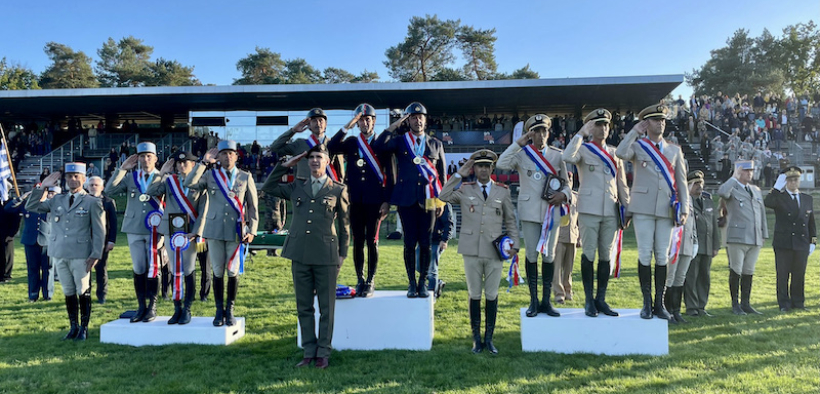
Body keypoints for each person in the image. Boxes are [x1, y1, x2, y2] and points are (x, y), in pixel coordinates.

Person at [261, 144, 349, 369]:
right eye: (311, 158)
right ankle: (309, 351)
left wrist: (342, 254)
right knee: (304, 306)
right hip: (299, 252)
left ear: (327, 161)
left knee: (326, 307)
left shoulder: (337, 189)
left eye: (319, 157)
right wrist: (285, 165)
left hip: (326, 254)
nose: (315, 161)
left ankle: (323, 353)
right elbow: (270, 186)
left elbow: (344, 225)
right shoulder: (296, 187)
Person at [439, 149, 519, 354]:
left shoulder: (502, 191)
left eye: (486, 166)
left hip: (495, 251)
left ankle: (489, 339)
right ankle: (477, 339)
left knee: (491, 294)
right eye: (479, 166)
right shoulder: (465, 189)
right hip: (472, 250)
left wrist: (515, 244)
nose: (483, 169)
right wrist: (459, 174)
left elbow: (510, 220)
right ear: (474, 168)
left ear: (492, 168)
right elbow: (443, 195)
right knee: (474, 294)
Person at [615, 104, 689, 320]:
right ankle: (646, 303)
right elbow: (620, 152)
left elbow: (682, 183)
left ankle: (659, 304)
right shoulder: (638, 146)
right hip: (643, 208)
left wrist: (684, 208)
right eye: (656, 120)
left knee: (662, 255)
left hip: (667, 208)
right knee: (645, 254)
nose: (661, 123)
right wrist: (634, 132)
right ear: (646, 124)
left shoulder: (674, 150)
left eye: (663, 120)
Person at [497, 114, 571, 317]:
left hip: (552, 212)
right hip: (530, 213)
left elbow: (566, 182)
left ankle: (546, 301)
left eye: (543, 131)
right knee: (531, 255)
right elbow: (502, 163)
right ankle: (533, 301)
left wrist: (563, 194)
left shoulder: (557, 155)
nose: (540, 135)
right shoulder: (522, 154)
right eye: (536, 131)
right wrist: (518, 143)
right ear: (531, 134)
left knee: (549, 256)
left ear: (548, 132)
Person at [372, 102, 446, 298]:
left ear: (425, 120)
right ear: (408, 120)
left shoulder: (436, 144)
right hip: (406, 199)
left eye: (420, 117)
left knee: (425, 243)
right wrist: (396, 124)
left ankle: (423, 283)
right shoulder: (399, 141)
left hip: (430, 199)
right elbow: (378, 145)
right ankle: (411, 283)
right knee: (409, 243)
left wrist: (442, 202)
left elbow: (442, 176)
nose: (417, 120)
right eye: (413, 117)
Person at [562, 109, 630, 317]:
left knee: (606, 257)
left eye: (605, 125)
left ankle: (601, 299)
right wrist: (580, 134)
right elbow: (567, 156)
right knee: (589, 254)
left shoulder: (614, 153)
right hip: (589, 209)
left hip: (610, 209)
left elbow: (622, 183)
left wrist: (627, 207)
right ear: (591, 127)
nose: (602, 128)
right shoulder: (582, 149)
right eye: (598, 125)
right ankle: (589, 301)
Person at [28, 163, 105, 341]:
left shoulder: (92, 202)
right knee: (68, 291)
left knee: (82, 290)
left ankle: (84, 328)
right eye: (69, 176)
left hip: (81, 253)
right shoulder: (57, 199)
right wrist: (42, 186)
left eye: (76, 176)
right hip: (60, 252)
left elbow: (100, 231)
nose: (72, 179)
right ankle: (73, 327)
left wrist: (96, 254)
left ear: (84, 178)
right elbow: (32, 206)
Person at [185, 140, 258, 327]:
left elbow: (253, 206)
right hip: (215, 230)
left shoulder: (245, 176)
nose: (227, 157)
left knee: (232, 271)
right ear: (218, 156)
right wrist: (203, 163)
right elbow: (189, 182)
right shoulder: (210, 175)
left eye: (231, 153)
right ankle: (219, 311)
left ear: (236, 155)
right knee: (217, 270)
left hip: (236, 231)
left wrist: (252, 230)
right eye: (223, 153)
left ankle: (230, 310)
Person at [327, 104, 390, 297]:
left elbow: (390, 173)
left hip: (375, 200)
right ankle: (360, 279)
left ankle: (370, 280)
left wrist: (387, 200)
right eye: (361, 120)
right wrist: (348, 125)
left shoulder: (383, 142)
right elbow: (331, 146)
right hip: (354, 200)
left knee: (372, 241)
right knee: (358, 241)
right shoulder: (353, 141)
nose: (365, 122)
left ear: (374, 121)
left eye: (368, 119)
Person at [105, 142, 165, 323]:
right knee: (139, 268)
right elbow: (109, 190)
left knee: (153, 267)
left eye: (149, 156)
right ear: (137, 159)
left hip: (156, 229)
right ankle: (141, 306)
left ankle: (152, 306)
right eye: (141, 156)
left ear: (155, 158)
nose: (145, 160)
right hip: (134, 229)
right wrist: (122, 169)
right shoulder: (132, 177)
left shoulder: (163, 178)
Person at [147, 151, 209, 324]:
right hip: (170, 231)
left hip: (188, 233)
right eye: (178, 163)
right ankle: (177, 308)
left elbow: (204, 208)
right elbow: (151, 191)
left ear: (193, 164)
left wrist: (197, 232)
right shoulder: (170, 181)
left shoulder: (201, 182)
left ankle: (187, 308)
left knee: (188, 269)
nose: (181, 166)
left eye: (185, 162)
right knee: (175, 270)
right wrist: (160, 173)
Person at [717, 160, 768, 315]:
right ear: (738, 171)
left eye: (751, 170)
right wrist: (734, 177)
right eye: (745, 170)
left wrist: (764, 233)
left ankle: (746, 303)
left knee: (749, 270)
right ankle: (735, 304)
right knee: (736, 270)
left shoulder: (755, 189)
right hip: (738, 237)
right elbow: (722, 192)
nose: (749, 173)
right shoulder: (732, 187)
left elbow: (762, 213)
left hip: (755, 237)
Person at [764, 166, 815, 312]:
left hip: (802, 242)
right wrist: (775, 188)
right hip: (783, 242)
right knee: (783, 275)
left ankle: (798, 302)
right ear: (786, 182)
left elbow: (811, 223)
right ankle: (784, 304)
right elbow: (767, 202)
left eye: (796, 179)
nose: (793, 182)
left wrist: (813, 241)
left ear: (799, 180)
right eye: (790, 180)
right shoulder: (779, 197)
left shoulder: (807, 198)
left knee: (799, 274)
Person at [4, 189, 54, 301]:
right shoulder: (26, 205)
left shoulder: (51, 204)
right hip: (30, 240)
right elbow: (8, 209)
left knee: (48, 269)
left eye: (42, 192)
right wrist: (21, 198)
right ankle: (33, 294)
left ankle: (48, 294)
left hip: (47, 241)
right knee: (32, 269)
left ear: (46, 193)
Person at [683, 171, 721, 317]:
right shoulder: (686, 201)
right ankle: (691, 307)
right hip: (692, 245)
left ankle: (701, 306)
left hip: (707, 244)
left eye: (701, 183)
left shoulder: (708, 201)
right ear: (689, 185)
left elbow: (713, 224)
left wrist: (716, 245)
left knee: (704, 277)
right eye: (696, 183)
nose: (699, 186)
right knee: (691, 277)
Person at [271, 108, 343, 181]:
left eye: (321, 120)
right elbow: (275, 148)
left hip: (327, 188)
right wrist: (293, 130)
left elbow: (340, 170)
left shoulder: (333, 143)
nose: (318, 123)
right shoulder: (299, 144)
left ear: (325, 125)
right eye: (314, 121)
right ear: (308, 126)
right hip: (304, 188)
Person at [665, 177, 698, 325]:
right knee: (669, 278)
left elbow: (692, 223)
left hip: (687, 244)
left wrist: (695, 241)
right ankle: (667, 310)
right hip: (673, 245)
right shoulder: (671, 195)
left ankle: (676, 311)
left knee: (680, 278)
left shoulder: (689, 200)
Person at [85, 176, 117, 304]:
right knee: (85, 269)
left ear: (102, 187)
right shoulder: (82, 201)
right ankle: (85, 294)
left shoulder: (108, 202)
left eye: (96, 185)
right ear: (87, 187)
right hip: (85, 241)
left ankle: (101, 295)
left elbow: (113, 223)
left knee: (101, 269)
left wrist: (111, 240)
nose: (93, 187)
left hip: (103, 241)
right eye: (91, 185)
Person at [552, 173, 578, 305]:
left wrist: (579, 237)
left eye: (571, 179)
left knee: (569, 268)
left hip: (572, 236)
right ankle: (559, 293)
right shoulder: (556, 197)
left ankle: (568, 290)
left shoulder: (576, 197)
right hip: (558, 236)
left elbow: (578, 219)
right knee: (557, 268)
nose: (570, 181)